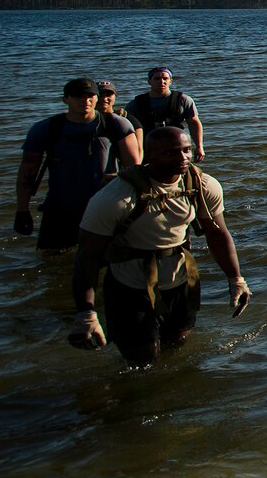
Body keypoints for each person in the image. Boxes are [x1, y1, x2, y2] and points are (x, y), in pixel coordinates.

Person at [68, 126, 249, 366]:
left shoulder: (202, 186)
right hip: (130, 287)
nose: (183, 157)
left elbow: (217, 234)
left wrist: (236, 279)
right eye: (172, 152)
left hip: (180, 281)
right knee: (142, 360)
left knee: (177, 348)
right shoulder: (115, 198)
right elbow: (88, 256)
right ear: (150, 156)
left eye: (187, 150)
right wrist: (86, 313)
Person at [15, 78, 141, 252]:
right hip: (60, 208)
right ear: (65, 99)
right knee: (52, 264)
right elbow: (27, 172)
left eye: (90, 96)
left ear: (97, 98)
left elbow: (134, 169)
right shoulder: (46, 128)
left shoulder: (116, 124)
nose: (86, 100)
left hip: (106, 205)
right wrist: (22, 210)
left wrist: (139, 208)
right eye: (78, 96)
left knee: (109, 261)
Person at [130, 66, 207, 160]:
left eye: (165, 78)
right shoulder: (137, 103)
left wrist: (199, 147)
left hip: (177, 147)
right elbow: (128, 127)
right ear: (149, 81)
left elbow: (194, 123)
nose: (161, 81)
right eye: (157, 78)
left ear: (170, 81)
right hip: (150, 148)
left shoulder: (182, 100)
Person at [94, 81, 130, 174]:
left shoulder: (125, 120)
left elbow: (134, 161)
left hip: (114, 178)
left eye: (108, 94)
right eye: (100, 95)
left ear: (115, 96)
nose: (104, 98)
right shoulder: (81, 122)